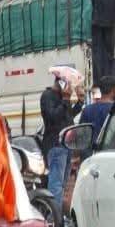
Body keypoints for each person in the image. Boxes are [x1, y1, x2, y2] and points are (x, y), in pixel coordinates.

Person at [39, 68, 80, 206]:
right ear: (61, 82)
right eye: (68, 84)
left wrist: (79, 102)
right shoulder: (47, 95)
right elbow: (53, 117)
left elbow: (68, 117)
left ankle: (58, 215)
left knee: (63, 183)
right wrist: (66, 99)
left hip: (66, 144)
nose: (70, 87)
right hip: (55, 145)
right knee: (56, 184)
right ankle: (54, 217)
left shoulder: (62, 98)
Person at [78, 75, 115, 140]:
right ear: (114, 89)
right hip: (111, 149)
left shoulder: (87, 109)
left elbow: (80, 134)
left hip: (90, 149)